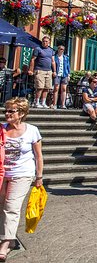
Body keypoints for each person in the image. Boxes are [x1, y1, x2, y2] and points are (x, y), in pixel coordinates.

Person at [0, 98, 42, 260]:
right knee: (1, 205)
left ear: (22, 113)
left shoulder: (32, 130)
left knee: (11, 207)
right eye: (6, 110)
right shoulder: (1, 129)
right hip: (2, 173)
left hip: (23, 173)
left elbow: (38, 156)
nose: (7, 114)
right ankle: (8, 236)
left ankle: (5, 243)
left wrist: (39, 177)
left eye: (11, 111)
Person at [28, 36, 56, 109]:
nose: (45, 42)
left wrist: (54, 71)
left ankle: (43, 102)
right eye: (43, 41)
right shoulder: (38, 49)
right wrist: (31, 69)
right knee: (40, 87)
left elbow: (53, 61)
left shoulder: (51, 50)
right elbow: (32, 59)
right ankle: (36, 102)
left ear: (49, 42)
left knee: (47, 87)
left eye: (46, 41)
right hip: (39, 70)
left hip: (48, 71)